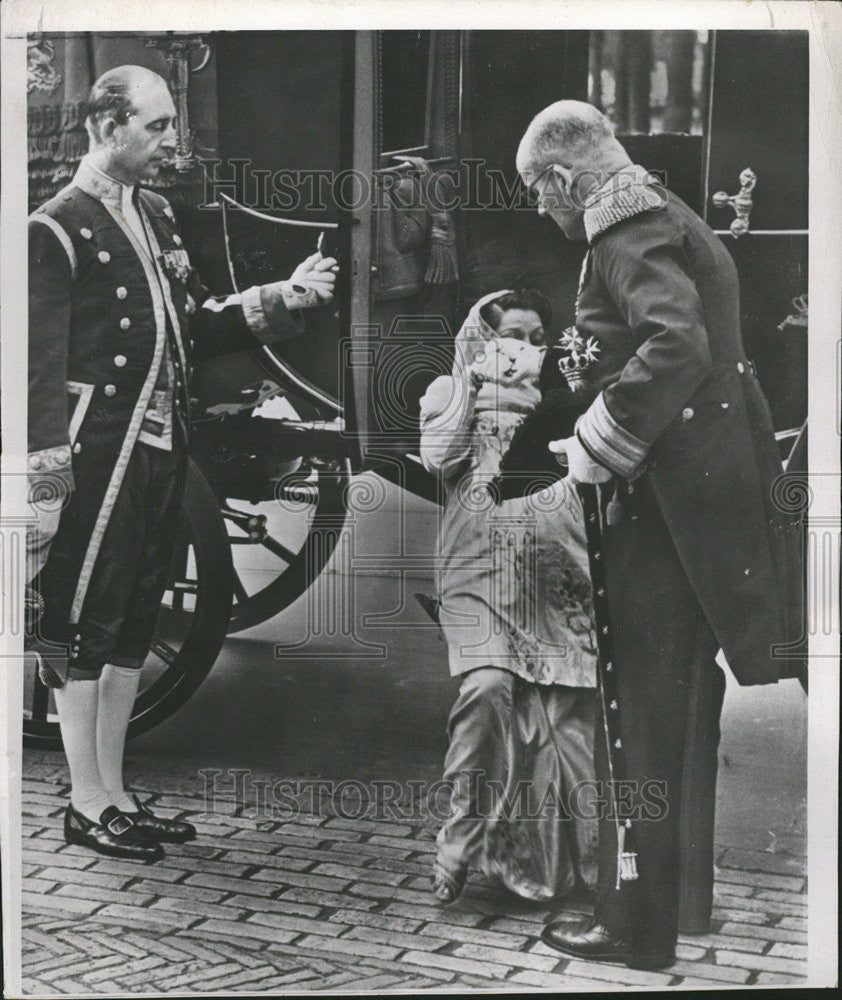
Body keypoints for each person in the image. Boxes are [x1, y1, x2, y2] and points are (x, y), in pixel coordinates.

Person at [515, 101, 802, 969]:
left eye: (536, 190)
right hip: (703, 495)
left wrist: (598, 442)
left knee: (635, 713)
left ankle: (634, 928)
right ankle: (678, 905)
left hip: (660, 505)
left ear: (566, 180)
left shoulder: (624, 237)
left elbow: (674, 346)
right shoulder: (666, 216)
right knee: (679, 708)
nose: (536, 207)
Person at [27, 65, 337, 862]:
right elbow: (35, 369)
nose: (174, 142)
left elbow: (191, 322)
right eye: (158, 127)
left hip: (163, 450)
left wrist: (282, 298)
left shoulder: (156, 214)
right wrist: (47, 477)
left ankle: (117, 794)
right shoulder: (56, 228)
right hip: (100, 456)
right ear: (105, 125)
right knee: (85, 625)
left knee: (134, 619)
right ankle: (86, 804)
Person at [419, 288, 599, 904]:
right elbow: (438, 459)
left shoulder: (563, 398)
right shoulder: (448, 392)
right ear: (482, 337)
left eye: (537, 338)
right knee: (487, 688)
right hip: (476, 564)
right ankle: (459, 836)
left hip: (550, 571)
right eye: (512, 336)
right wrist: (472, 385)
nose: (526, 349)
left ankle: (546, 858)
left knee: (558, 715)